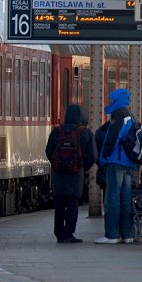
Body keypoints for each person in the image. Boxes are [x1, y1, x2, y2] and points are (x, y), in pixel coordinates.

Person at [45, 104, 97, 243]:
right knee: (72, 204)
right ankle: (68, 233)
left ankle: (59, 233)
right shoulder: (85, 133)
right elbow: (92, 156)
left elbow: (49, 151)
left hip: (59, 175)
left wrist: (57, 164)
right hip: (75, 174)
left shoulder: (57, 131)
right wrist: (81, 167)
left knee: (59, 205)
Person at [94, 88, 138, 244]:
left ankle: (111, 235)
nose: (111, 102)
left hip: (116, 161)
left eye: (113, 99)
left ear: (117, 100)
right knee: (126, 199)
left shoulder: (118, 114)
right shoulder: (130, 115)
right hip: (129, 164)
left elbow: (113, 136)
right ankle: (127, 234)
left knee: (112, 198)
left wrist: (104, 155)